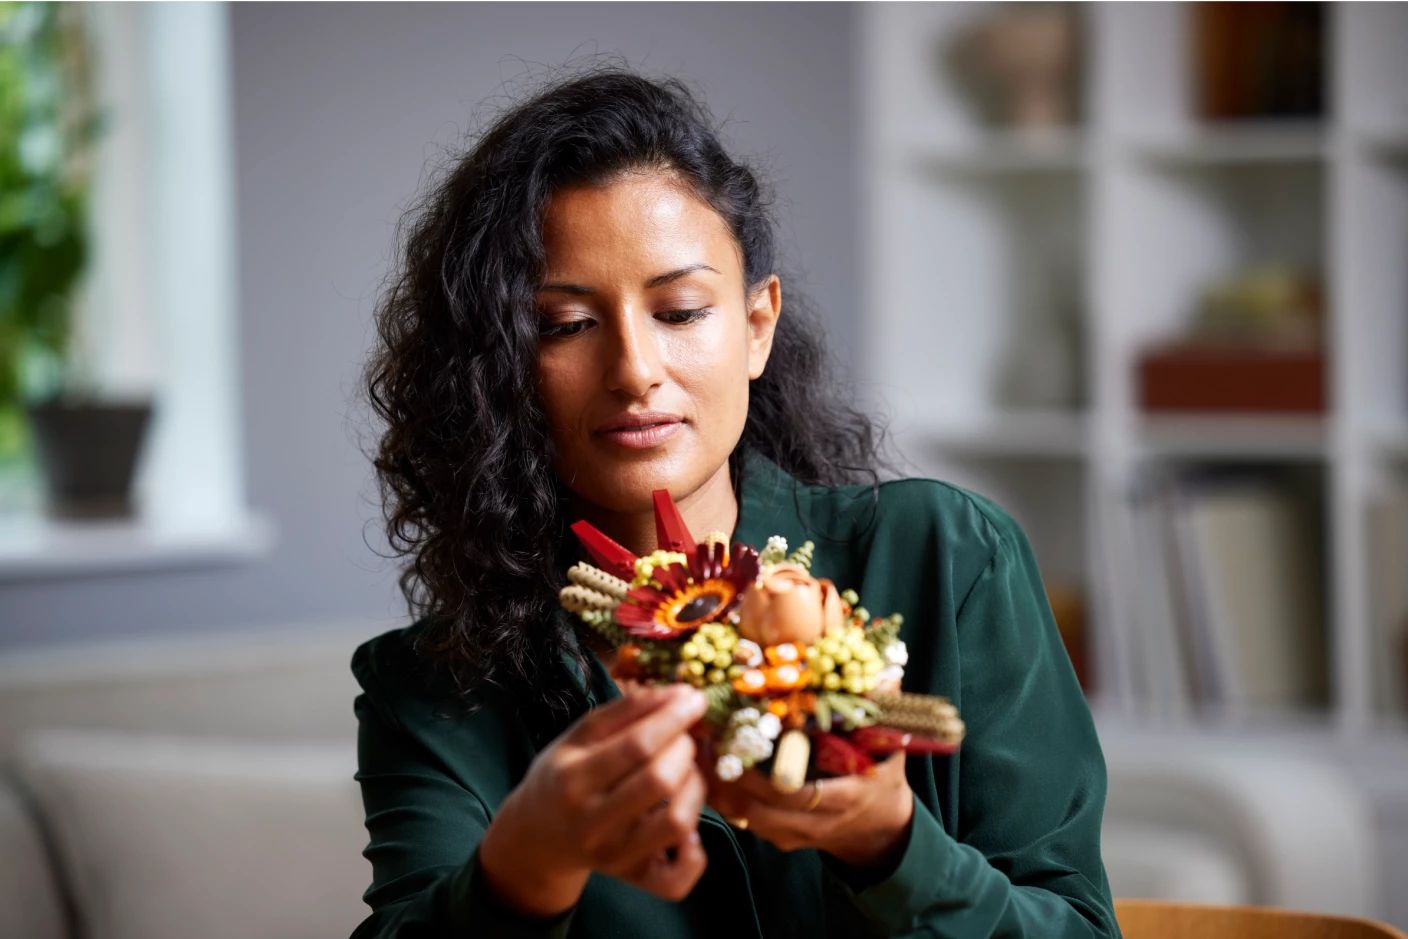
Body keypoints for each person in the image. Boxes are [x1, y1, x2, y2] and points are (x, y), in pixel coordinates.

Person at [355, 68, 1118, 938]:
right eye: (565, 324)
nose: (637, 370)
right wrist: (524, 866)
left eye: (680, 310)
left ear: (757, 325)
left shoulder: (947, 557)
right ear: (499, 367)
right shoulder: (432, 689)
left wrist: (893, 844)